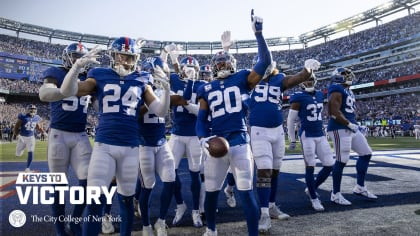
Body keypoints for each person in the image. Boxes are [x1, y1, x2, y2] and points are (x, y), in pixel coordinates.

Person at [59, 36, 170, 236]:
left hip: (130, 147)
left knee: (126, 202)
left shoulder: (142, 79)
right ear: (113, 55)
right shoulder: (99, 74)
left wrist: (167, 90)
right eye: (121, 56)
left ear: (135, 59)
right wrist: (75, 68)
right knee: (95, 202)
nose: (125, 61)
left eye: (129, 57)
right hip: (105, 145)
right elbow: (68, 90)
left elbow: (160, 111)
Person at [195, 10, 272, 236]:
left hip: (239, 142)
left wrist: (258, 34)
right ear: (212, 67)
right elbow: (201, 120)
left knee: (246, 191)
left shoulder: (242, 79)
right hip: (217, 143)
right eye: (218, 63)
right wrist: (202, 138)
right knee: (210, 192)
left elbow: (265, 62)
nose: (221, 65)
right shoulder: (205, 88)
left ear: (232, 63)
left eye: (225, 62)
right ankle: (211, 229)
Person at [248, 54, 320, 232]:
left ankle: (271, 206)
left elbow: (298, 78)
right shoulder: (249, 80)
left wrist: (307, 69)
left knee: (274, 172)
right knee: (263, 171)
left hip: (277, 131)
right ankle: (264, 213)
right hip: (258, 130)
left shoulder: (279, 79)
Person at [38, 42, 94, 236]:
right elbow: (44, 93)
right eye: (75, 56)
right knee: (58, 185)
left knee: (89, 182)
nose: (78, 60)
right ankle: (60, 229)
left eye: (81, 57)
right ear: (66, 57)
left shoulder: (89, 77)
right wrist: (63, 91)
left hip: (80, 134)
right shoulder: (56, 72)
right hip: (58, 135)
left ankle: (75, 220)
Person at [137, 56, 177, 236]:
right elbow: (135, 114)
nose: (163, 74)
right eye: (159, 71)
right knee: (148, 186)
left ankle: (161, 221)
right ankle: (145, 225)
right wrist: (151, 98)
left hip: (161, 142)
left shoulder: (164, 88)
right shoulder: (138, 89)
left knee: (170, 181)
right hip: (143, 144)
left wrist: (166, 90)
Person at [327, 67, 378, 206]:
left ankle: (360, 187)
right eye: (344, 74)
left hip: (351, 127)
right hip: (339, 128)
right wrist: (349, 124)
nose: (348, 76)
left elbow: (348, 111)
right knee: (341, 160)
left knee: (366, 153)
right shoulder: (336, 88)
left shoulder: (348, 90)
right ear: (337, 76)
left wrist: (355, 124)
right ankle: (335, 194)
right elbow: (333, 111)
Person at [165, 52, 204, 227]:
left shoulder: (202, 85)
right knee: (169, 173)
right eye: (186, 68)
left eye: (193, 68)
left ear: (197, 70)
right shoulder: (173, 79)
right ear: (180, 69)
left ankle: (196, 210)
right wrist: (168, 55)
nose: (189, 71)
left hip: (194, 135)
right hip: (177, 133)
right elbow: (160, 71)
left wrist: (186, 103)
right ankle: (180, 205)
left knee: (195, 173)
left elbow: (200, 111)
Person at [287, 76, 335, 212]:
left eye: (311, 80)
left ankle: (311, 188)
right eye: (306, 80)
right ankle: (314, 198)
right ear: (301, 82)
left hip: (320, 134)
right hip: (307, 135)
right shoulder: (298, 97)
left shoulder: (320, 94)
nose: (309, 83)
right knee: (310, 166)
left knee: (329, 164)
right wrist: (292, 139)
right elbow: (291, 120)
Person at [13, 104, 45, 172]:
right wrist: (18, 135)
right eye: (31, 109)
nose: (32, 111)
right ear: (27, 110)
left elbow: (38, 127)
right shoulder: (22, 116)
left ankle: (28, 168)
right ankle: (22, 149)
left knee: (31, 151)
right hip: (22, 137)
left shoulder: (36, 117)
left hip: (31, 137)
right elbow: (16, 127)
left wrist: (44, 132)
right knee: (18, 154)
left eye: (34, 109)